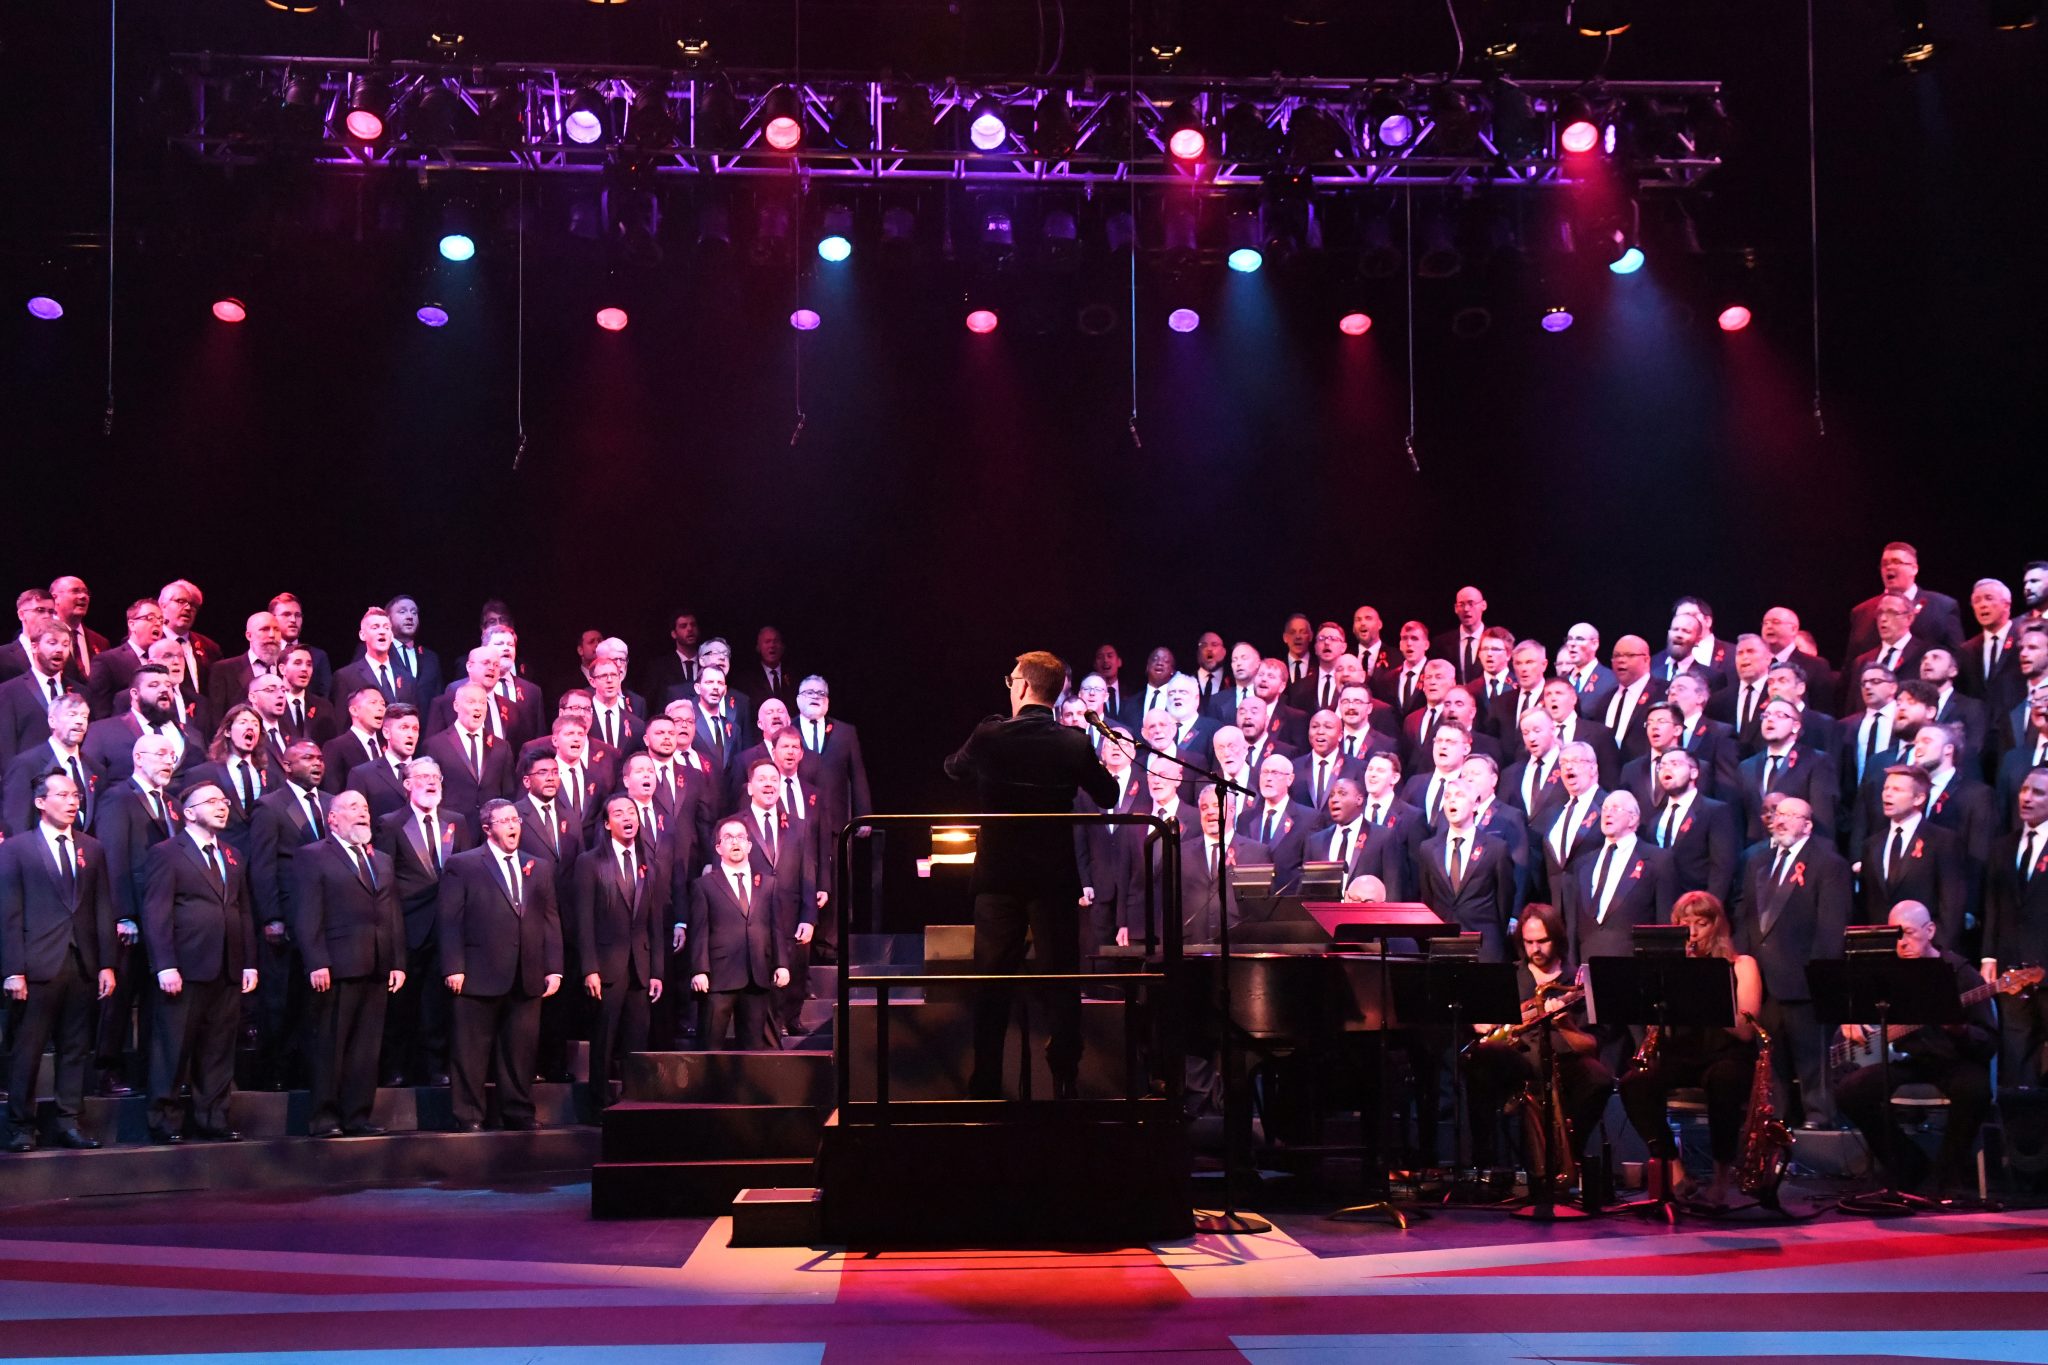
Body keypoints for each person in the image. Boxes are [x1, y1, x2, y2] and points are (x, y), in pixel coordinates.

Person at [944, 650, 1119, 1100]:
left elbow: (953, 768)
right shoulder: (1072, 742)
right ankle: (1066, 1078)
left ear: (1021, 686)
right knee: (1061, 976)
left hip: (999, 877)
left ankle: (984, 1082)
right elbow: (1109, 792)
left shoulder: (990, 735)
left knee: (991, 979)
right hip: (1052, 878)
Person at [1834, 900, 1997, 1197]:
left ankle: (1947, 1175)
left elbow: (1988, 1040)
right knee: (1850, 1091)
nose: (1902, 942)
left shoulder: (1960, 973)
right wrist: (1852, 1020)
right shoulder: (1887, 973)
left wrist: (1959, 1030)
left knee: (1975, 1090)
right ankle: (1908, 1164)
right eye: (1896, 934)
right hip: (1911, 1060)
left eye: (1909, 933)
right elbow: (1859, 1010)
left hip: (1956, 1061)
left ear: (1930, 930)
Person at [1618, 892, 1764, 1206]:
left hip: (1727, 1053)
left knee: (1724, 1081)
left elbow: (1745, 1029)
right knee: (1634, 1083)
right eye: (1686, 925)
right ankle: (1674, 1168)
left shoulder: (1741, 965)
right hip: (1682, 1053)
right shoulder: (1670, 967)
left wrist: (1702, 989)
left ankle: (1722, 1176)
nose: (1694, 933)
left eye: (1701, 924)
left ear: (1717, 926)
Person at [1, 769, 115, 1151]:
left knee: (75, 1047)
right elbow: (9, 913)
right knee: (27, 1050)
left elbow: (102, 908)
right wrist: (13, 969)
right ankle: (20, 1125)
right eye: (63, 795)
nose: (71, 802)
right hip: (36, 965)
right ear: (40, 803)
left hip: (81, 962)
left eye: (76, 796)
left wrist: (106, 964)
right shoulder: (16, 849)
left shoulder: (92, 848)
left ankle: (69, 1121)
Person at [142, 781, 258, 1144]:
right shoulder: (167, 852)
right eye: (212, 802)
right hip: (186, 966)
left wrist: (249, 962)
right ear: (188, 812)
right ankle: (165, 1119)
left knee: (219, 1046)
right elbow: (156, 911)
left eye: (224, 801)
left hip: (226, 966)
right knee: (174, 1046)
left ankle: (214, 1117)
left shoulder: (232, 854)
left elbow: (243, 909)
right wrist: (164, 964)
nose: (222, 807)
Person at [1462, 904, 1614, 1178]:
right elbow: (1482, 1017)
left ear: (1557, 938)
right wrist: (1480, 1020)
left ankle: (1567, 1155)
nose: (1536, 949)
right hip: (1518, 1059)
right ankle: (1484, 1164)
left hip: (1564, 1059)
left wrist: (1565, 1024)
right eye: (1529, 942)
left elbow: (1592, 1044)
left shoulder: (1577, 981)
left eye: (1543, 941)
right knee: (1481, 1058)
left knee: (1600, 1078)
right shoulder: (1509, 976)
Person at [440, 798, 563, 1132]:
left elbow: (550, 920)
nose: (513, 826)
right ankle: (469, 1115)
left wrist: (554, 967)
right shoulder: (463, 865)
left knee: (520, 1049)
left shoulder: (538, 866)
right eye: (505, 821)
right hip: (478, 972)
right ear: (487, 828)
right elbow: (450, 920)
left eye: (516, 820)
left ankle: (518, 1112)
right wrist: (454, 966)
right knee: (471, 1049)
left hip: (526, 973)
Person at [291, 791, 405, 1137]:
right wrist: (316, 960)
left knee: (366, 1048)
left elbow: (392, 914)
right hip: (336, 966)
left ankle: (358, 1115)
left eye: (366, 809)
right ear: (333, 819)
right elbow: (308, 913)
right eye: (353, 808)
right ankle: (325, 1117)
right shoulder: (314, 856)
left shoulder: (381, 859)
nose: (362, 814)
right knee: (330, 1044)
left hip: (376, 965)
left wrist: (397, 961)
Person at [574, 794, 667, 1103]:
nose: (627, 818)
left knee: (637, 1042)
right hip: (606, 967)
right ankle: (598, 1104)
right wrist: (590, 968)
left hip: (640, 968)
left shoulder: (648, 864)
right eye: (619, 813)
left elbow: (655, 922)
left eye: (632, 812)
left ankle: (633, 1103)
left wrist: (657, 971)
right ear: (606, 823)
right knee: (603, 1040)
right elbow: (583, 921)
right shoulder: (590, 862)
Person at [688, 816, 789, 1050]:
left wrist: (781, 964)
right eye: (728, 837)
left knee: (753, 1049)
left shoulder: (767, 884)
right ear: (718, 847)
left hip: (757, 975)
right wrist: (699, 970)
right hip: (718, 977)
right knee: (709, 1045)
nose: (735, 842)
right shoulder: (704, 885)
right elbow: (699, 932)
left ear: (749, 845)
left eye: (741, 837)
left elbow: (776, 927)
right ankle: (709, 1087)